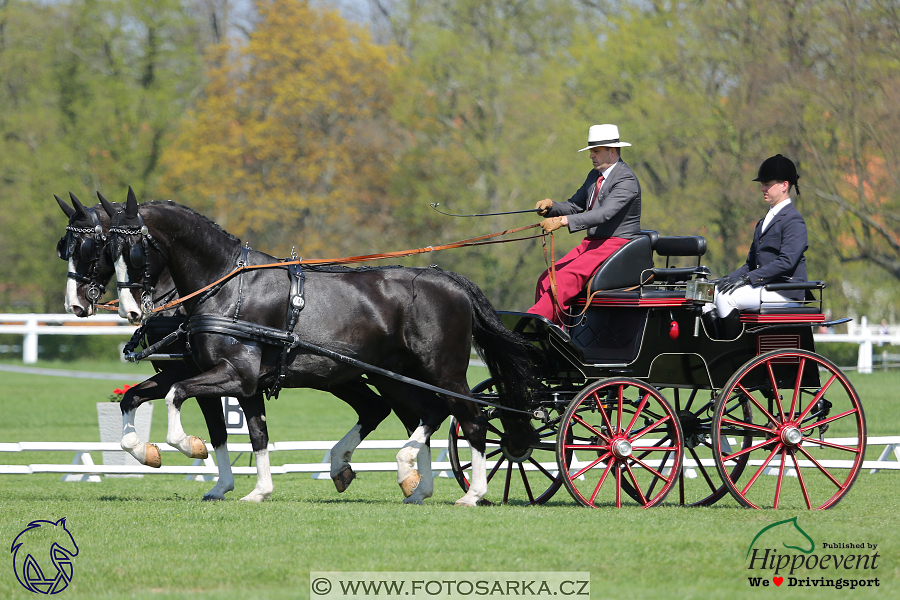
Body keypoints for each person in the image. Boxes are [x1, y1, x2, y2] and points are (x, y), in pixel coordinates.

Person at [527, 124, 642, 326]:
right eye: (591, 151)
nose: (591, 156)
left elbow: (603, 214)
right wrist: (552, 207)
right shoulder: (594, 176)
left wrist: (562, 221)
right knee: (546, 279)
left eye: (596, 151)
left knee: (562, 281)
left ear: (612, 151)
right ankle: (553, 333)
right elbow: (575, 205)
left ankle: (529, 326)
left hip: (616, 245)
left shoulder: (626, 180)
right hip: (592, 244)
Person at [704, 154, 807, 337]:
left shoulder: (794, 220)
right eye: (762, 184)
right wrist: (725, 280)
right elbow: (750, 265)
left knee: (727, 299)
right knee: (707, 298)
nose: (762, 188)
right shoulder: (762, 223)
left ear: (784, 185)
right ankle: (716, 353)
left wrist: (747, 279)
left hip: (784, 291)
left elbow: (786, 262)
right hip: (765, 287)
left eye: (767, 184)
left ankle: (732, 354)